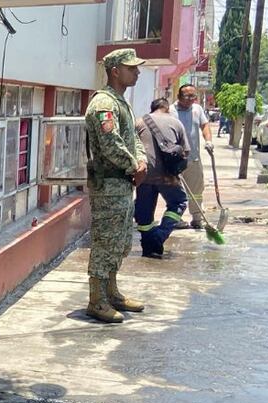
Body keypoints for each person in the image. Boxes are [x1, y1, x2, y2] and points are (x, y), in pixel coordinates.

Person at [83, 48, 147, 324]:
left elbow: (133, 137)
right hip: (109, 183)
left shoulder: (120, 102)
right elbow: (112, 145)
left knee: (120, 241)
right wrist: (134, 165)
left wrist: (141, 160)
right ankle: (97, 300)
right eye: (131, 68)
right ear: (115, 71)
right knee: (105, 242)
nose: (137, 72)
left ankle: (111, 292)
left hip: (122, 183)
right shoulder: (103, 105)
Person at [134, 98, 190, 258]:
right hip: (168, 176)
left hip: (143, 173)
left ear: (152, 109)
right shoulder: (176, 123)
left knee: (144, 213)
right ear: (166, 108)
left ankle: (148, 247)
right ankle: (160, 235)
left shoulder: (139, 122)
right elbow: (185, 152)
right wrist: (177, 170)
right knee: (179, 202)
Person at [171, 84, 213, 229]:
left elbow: (205, 126)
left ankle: (197, 218)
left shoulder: (197, 109)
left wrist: (208, 141)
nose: (190, 100)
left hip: (193, 159)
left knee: (196, 190)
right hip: (176, 159)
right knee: (177, 190)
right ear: (179, 96)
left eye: (193, 96)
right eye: (187, 96)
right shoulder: (171, 111)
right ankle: (176, 218)